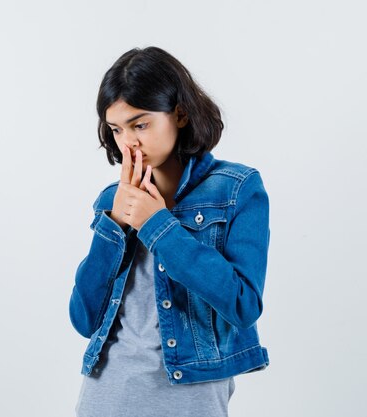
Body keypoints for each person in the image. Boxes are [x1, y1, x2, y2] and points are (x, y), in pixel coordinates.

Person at [69, 46, 271, 417]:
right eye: (116, 129)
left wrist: (158, 226)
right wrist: (113, 225)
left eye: (140, 124)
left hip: (191, 394)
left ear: (179, 114)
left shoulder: (238, 188)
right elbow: (84, 320)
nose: (128, 143)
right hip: (107, 392)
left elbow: (243, 305)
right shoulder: (112, 201)